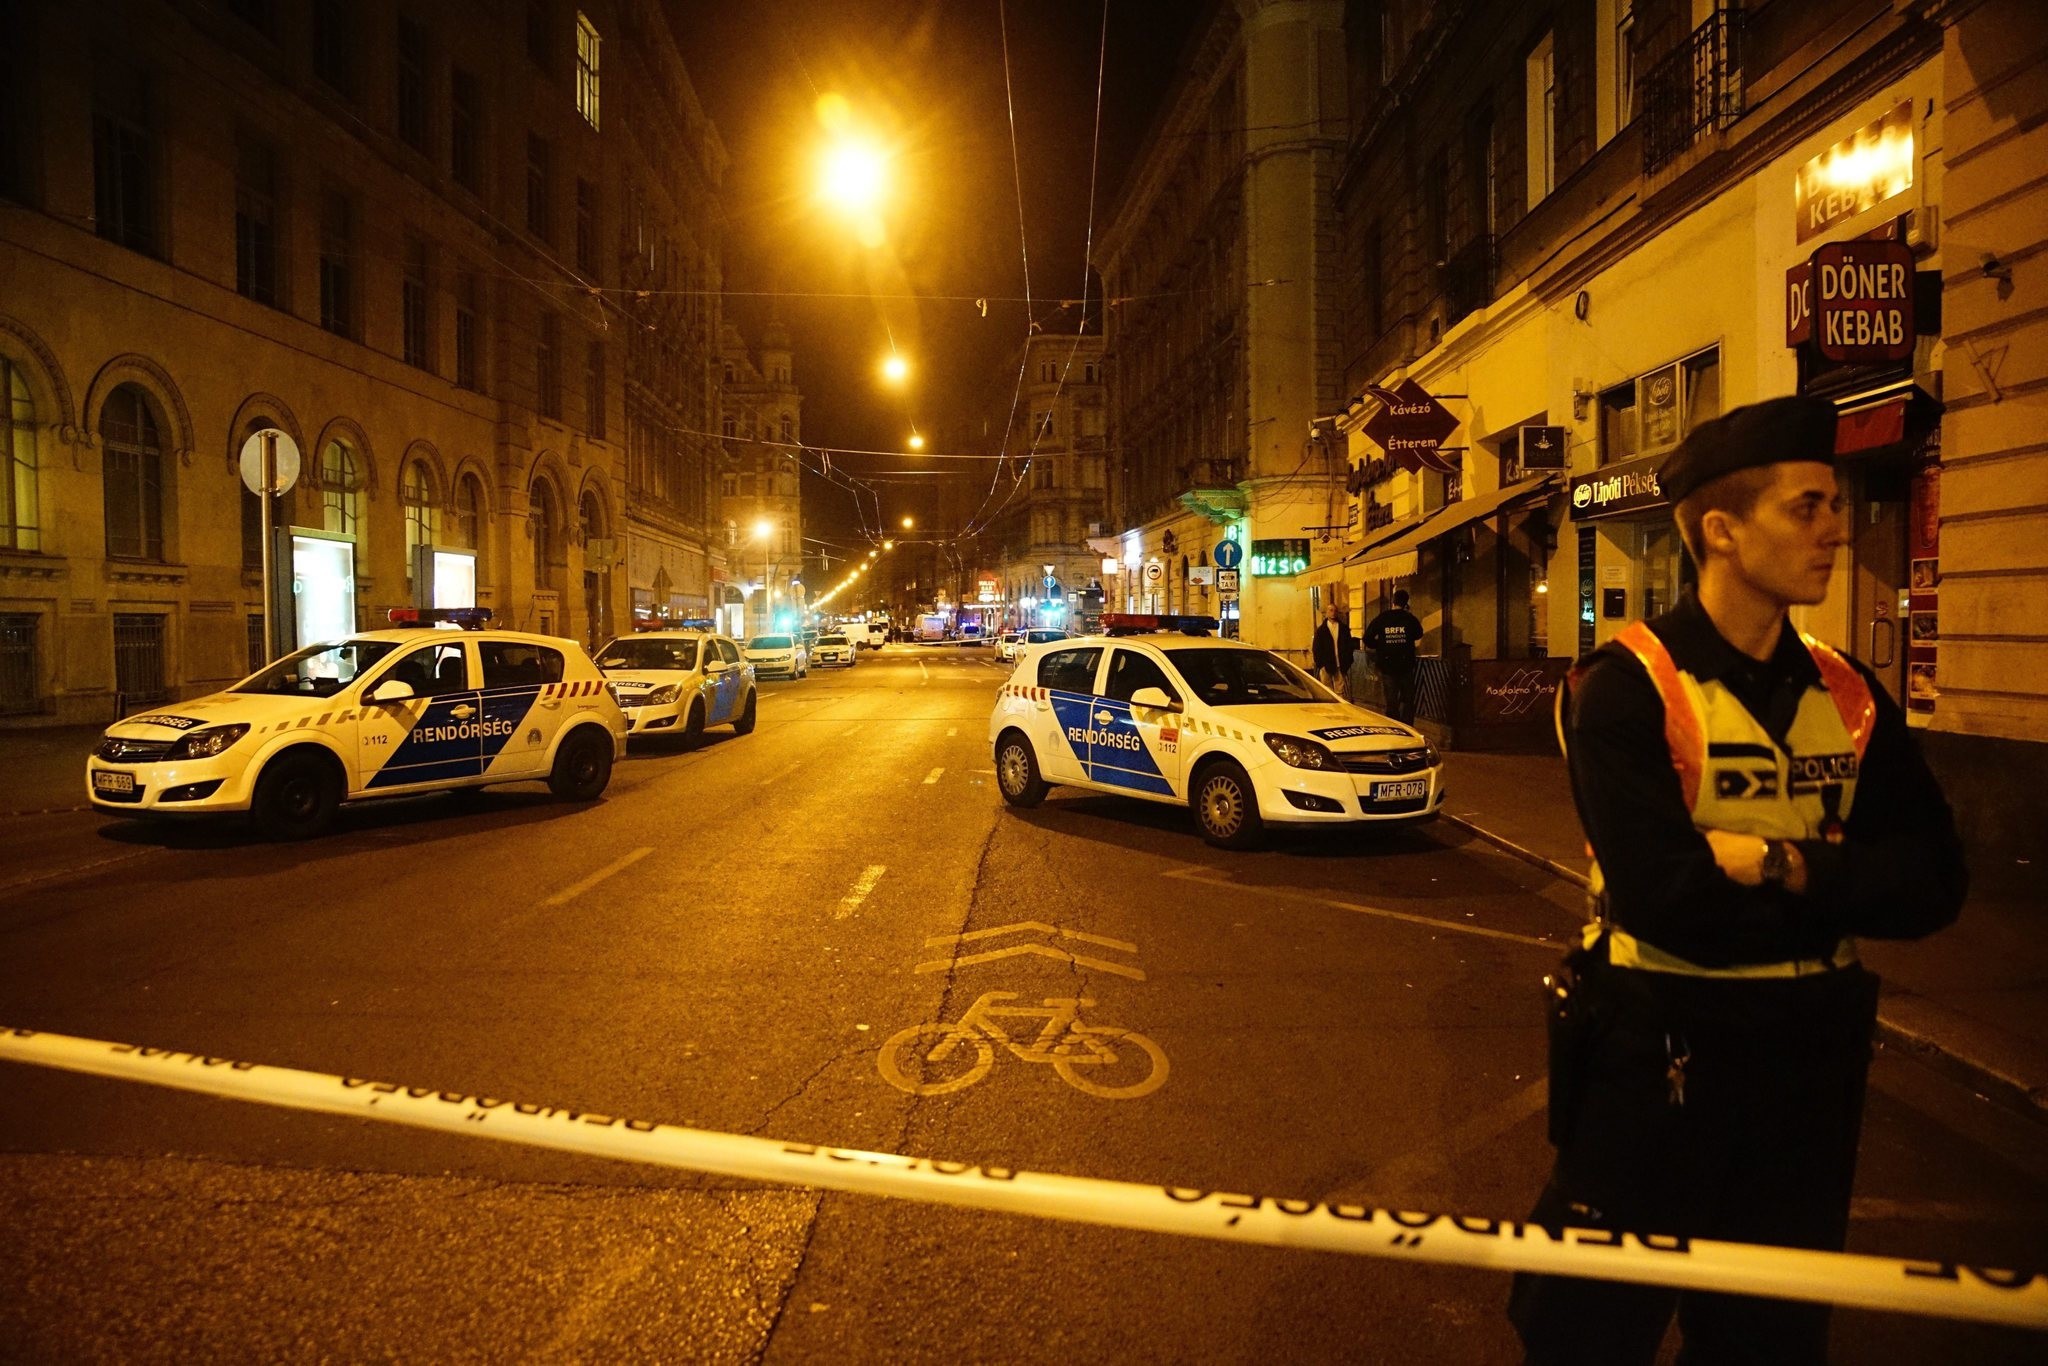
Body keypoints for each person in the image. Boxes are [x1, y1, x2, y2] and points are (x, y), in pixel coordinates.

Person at [1509, 396, 1967, 1365]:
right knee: (1583, 1336)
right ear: (1720, 531)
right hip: (1655, 1062)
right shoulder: (1623, 687)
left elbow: (1936, 882)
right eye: (1805, 507)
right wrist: (1841, 890)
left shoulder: (1846, 691)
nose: (1836, 529)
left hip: (1807, 1079)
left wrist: (1780, 861)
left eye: (1835, 504)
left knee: (1766, 1344)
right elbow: (1667, 905)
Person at [1362, 588, 1423, 722]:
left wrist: (1380, 645)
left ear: (1393, 602)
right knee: (1407, 700)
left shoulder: (1382, 618)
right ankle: (1408, 727)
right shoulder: (1409, 618)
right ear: (1406, 603)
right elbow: (1419, 634)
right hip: (1406, 665)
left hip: (1387, 666)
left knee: (1391, 700)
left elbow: (1367, 638)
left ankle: (1395, 727)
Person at [1310, 600, 1356, 695]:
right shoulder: (1321, 630)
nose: (1333, 613)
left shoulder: (1343, 629)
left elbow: (1349, 646)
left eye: (1335, 610)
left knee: (1340, 691)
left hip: (1340, 663)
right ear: (1327, 612)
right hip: (1325, 664)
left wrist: (1348, 661)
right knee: (1327, 691)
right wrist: (1320, 663)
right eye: (1331, 610)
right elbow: (1316, 647)